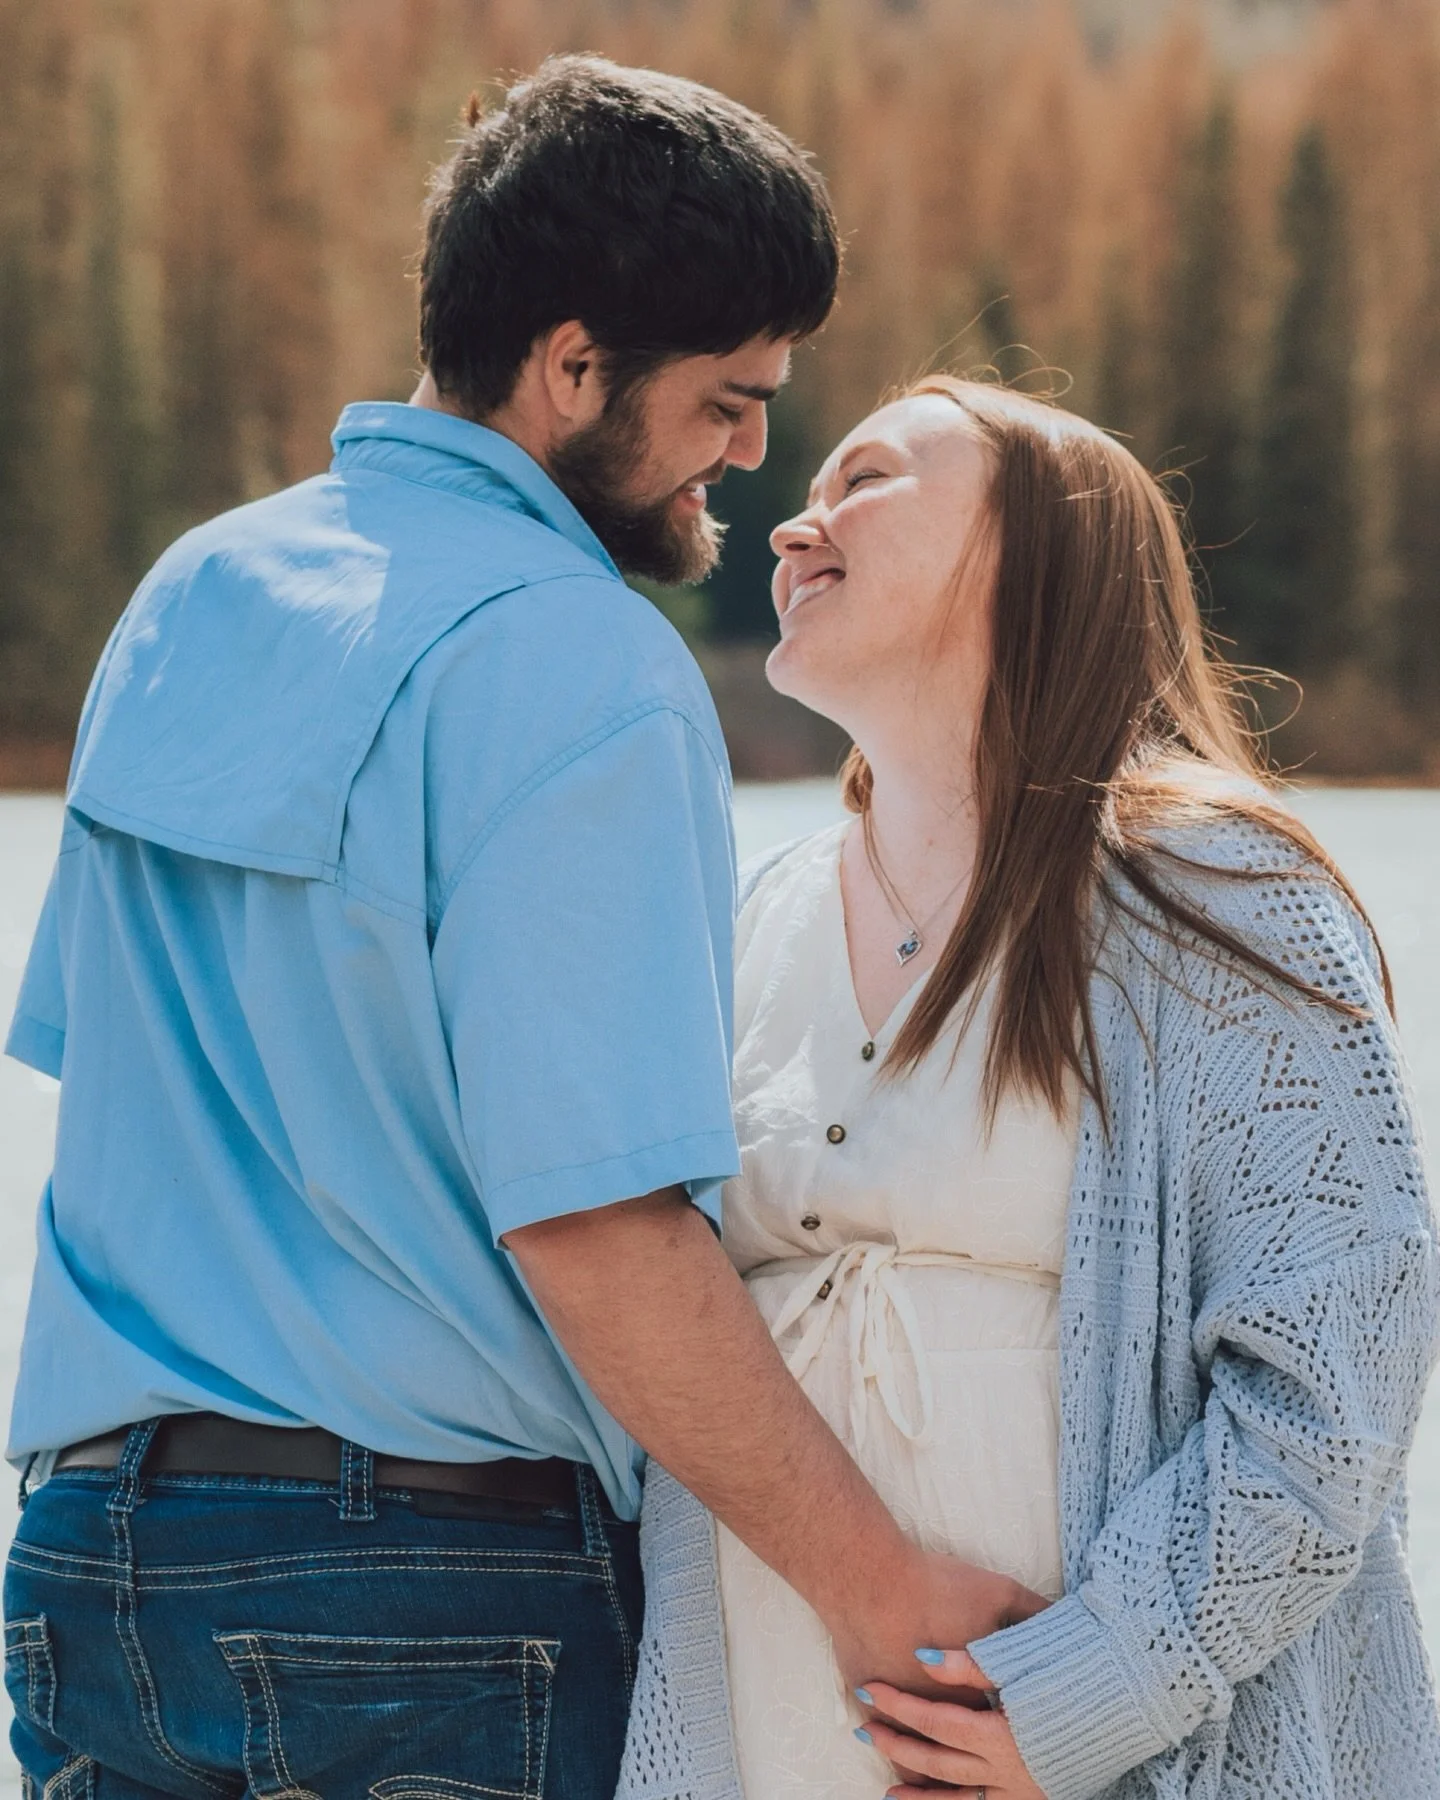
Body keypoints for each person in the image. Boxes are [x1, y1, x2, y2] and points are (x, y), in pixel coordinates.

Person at [1, 66, 1039, 1800]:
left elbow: (102, 1079)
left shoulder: (191, 594)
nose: (753, 453)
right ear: (572, 367)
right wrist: (877, 1592)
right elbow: (599, 1228)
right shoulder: (583, 660)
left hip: (94, 1573)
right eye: (728, 399)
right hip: (420, 1608)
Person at [616, 377, 1440, 1800]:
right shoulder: (760, 915)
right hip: (764, 1742)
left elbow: (1337, 1385)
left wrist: (1085, 1694)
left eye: (863, 482)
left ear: (1031, 552)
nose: (788, 529)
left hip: (1107, 1754)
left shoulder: (1222, 900)